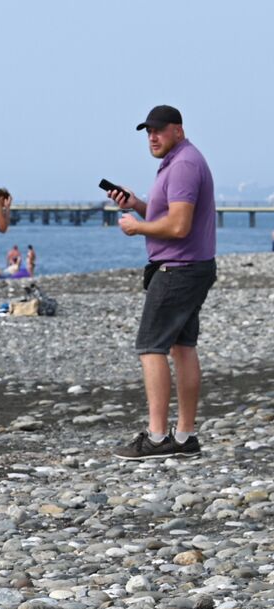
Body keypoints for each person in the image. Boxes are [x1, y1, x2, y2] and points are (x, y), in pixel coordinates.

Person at [106, 105, 216, 460]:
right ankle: (183, 438)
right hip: (193, 267)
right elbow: (169, 215)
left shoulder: (183, 164)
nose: (152, 137)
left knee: (151, 347)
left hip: (178, 270)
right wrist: (137, 203)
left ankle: (156, 438)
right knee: (182, 347)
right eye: (148, 132)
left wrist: (137, 227)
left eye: (159, 130)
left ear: (178, 131)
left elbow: (179, 226)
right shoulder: (178, 161)